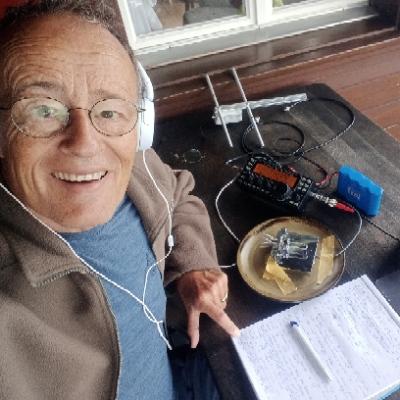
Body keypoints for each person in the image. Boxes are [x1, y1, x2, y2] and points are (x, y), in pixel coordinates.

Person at [0, 1, 239, 399]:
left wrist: (192, 266)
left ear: (140, 126)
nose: (85, 142)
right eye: (43, 110)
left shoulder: (136, 171)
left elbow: (178, 194)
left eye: (109, 111)